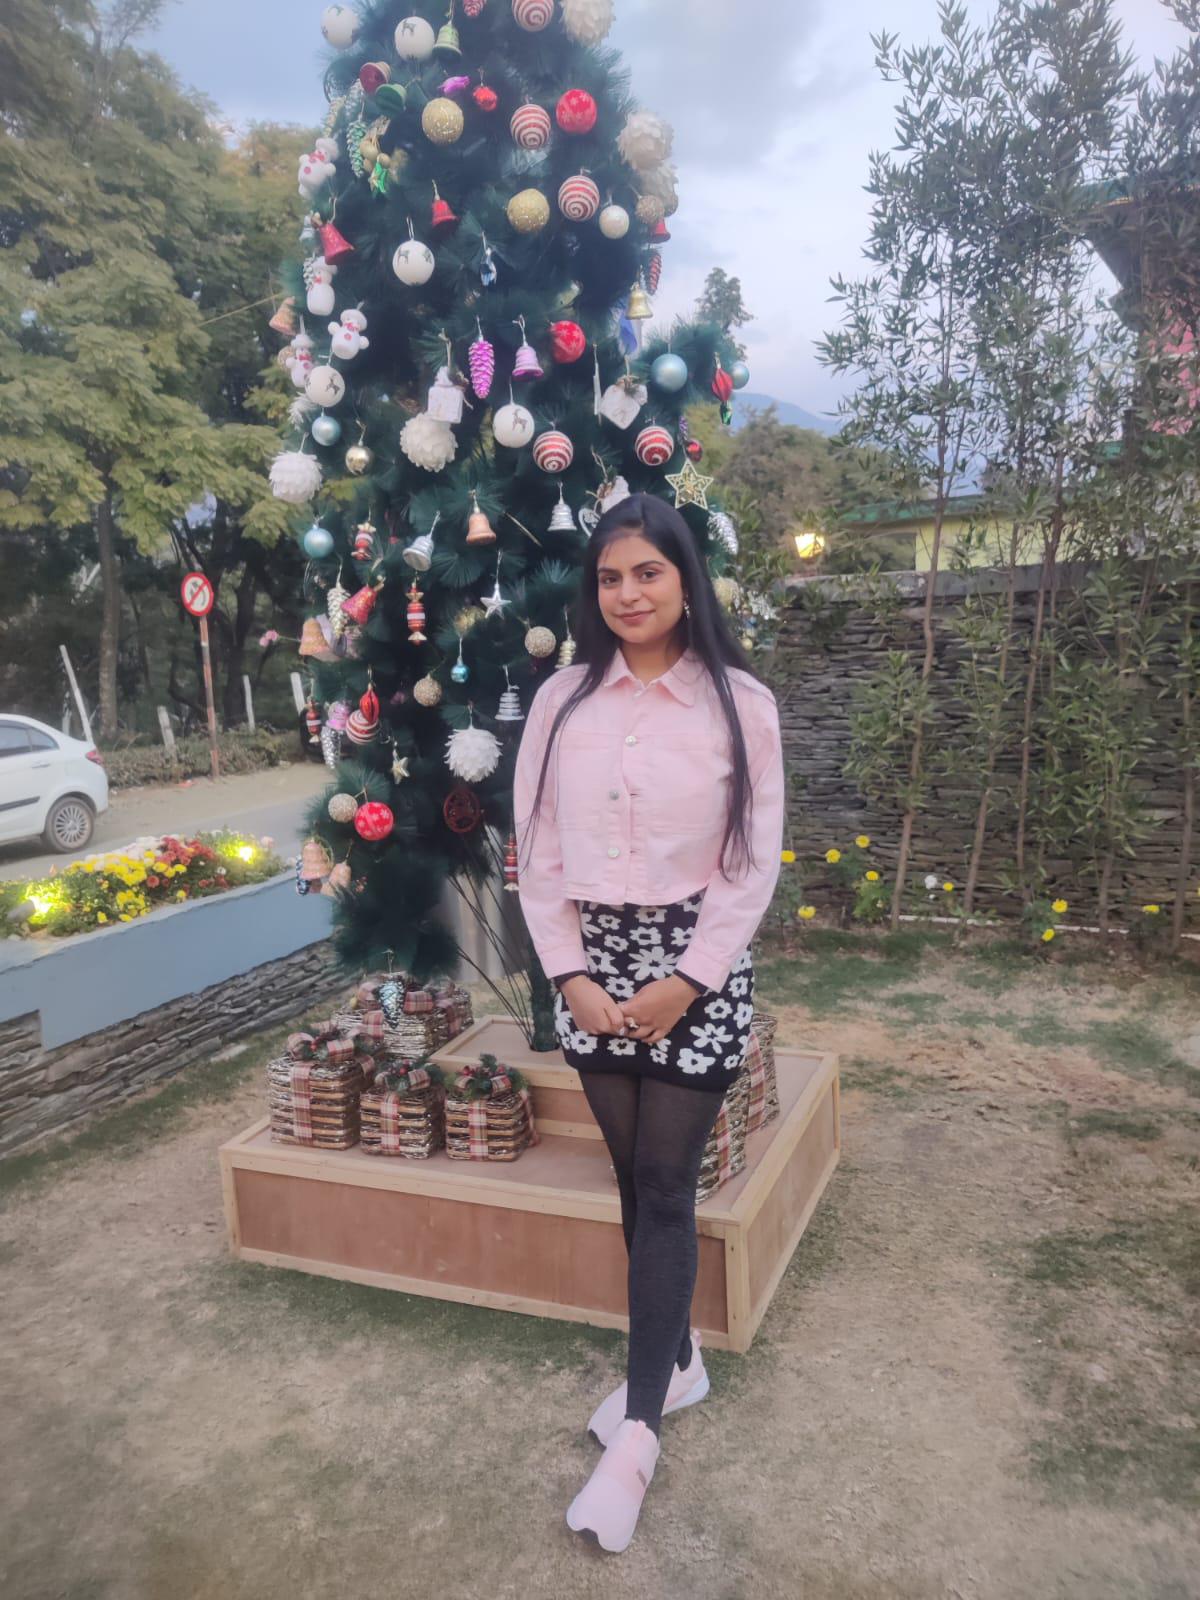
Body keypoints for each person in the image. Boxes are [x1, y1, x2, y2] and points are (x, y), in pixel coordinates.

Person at [512, 492, 786, 1552]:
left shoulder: (739, 702)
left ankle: (636, 1436)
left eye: (648, 573)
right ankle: (676, 1364)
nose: (628, 594)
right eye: (610, 577)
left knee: (668, 1184)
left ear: (684, 580)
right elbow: (536, 848)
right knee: (632, 1177)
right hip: (590, 963)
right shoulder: (561, 702)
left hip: (694, 963)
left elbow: (751, 861)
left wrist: (691, 979)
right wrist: (569, 975)